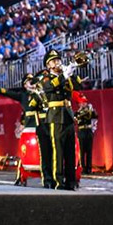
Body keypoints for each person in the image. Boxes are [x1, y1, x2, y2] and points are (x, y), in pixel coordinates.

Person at [0, 72, 47, 186]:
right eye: (29, 81)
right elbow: (9, 93)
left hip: (42, 125)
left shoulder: (41, 93)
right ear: (25, 85)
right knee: (24, 151)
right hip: (29, 126)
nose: (32, 83)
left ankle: (47, 175)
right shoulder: (23, 95)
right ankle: (20, 176)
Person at [40, 50, 83, 190]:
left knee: (70, 151)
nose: (57, 62)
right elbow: (49, 87)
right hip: (56, 116)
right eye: (53, 61)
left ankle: (71, 181)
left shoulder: (65, 77)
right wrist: (64, 75)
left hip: (68, 115)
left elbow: (78, 86)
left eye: (58, 60)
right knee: (57, 151)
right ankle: (58, 181)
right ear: (48, 65)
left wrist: (72, 71)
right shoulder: (46, 78)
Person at [75, 100, 98, 175]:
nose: (83, 104)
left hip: (88, 131)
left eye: (85, 103)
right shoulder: (77, 112)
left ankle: (89, 168)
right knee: (81, 151)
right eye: (82, 103)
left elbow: (95, 116)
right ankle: (82, 168)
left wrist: (91, 110)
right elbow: (75, 118)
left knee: (89, 152)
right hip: (81, 131)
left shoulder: (90, 111)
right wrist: (80, 111)